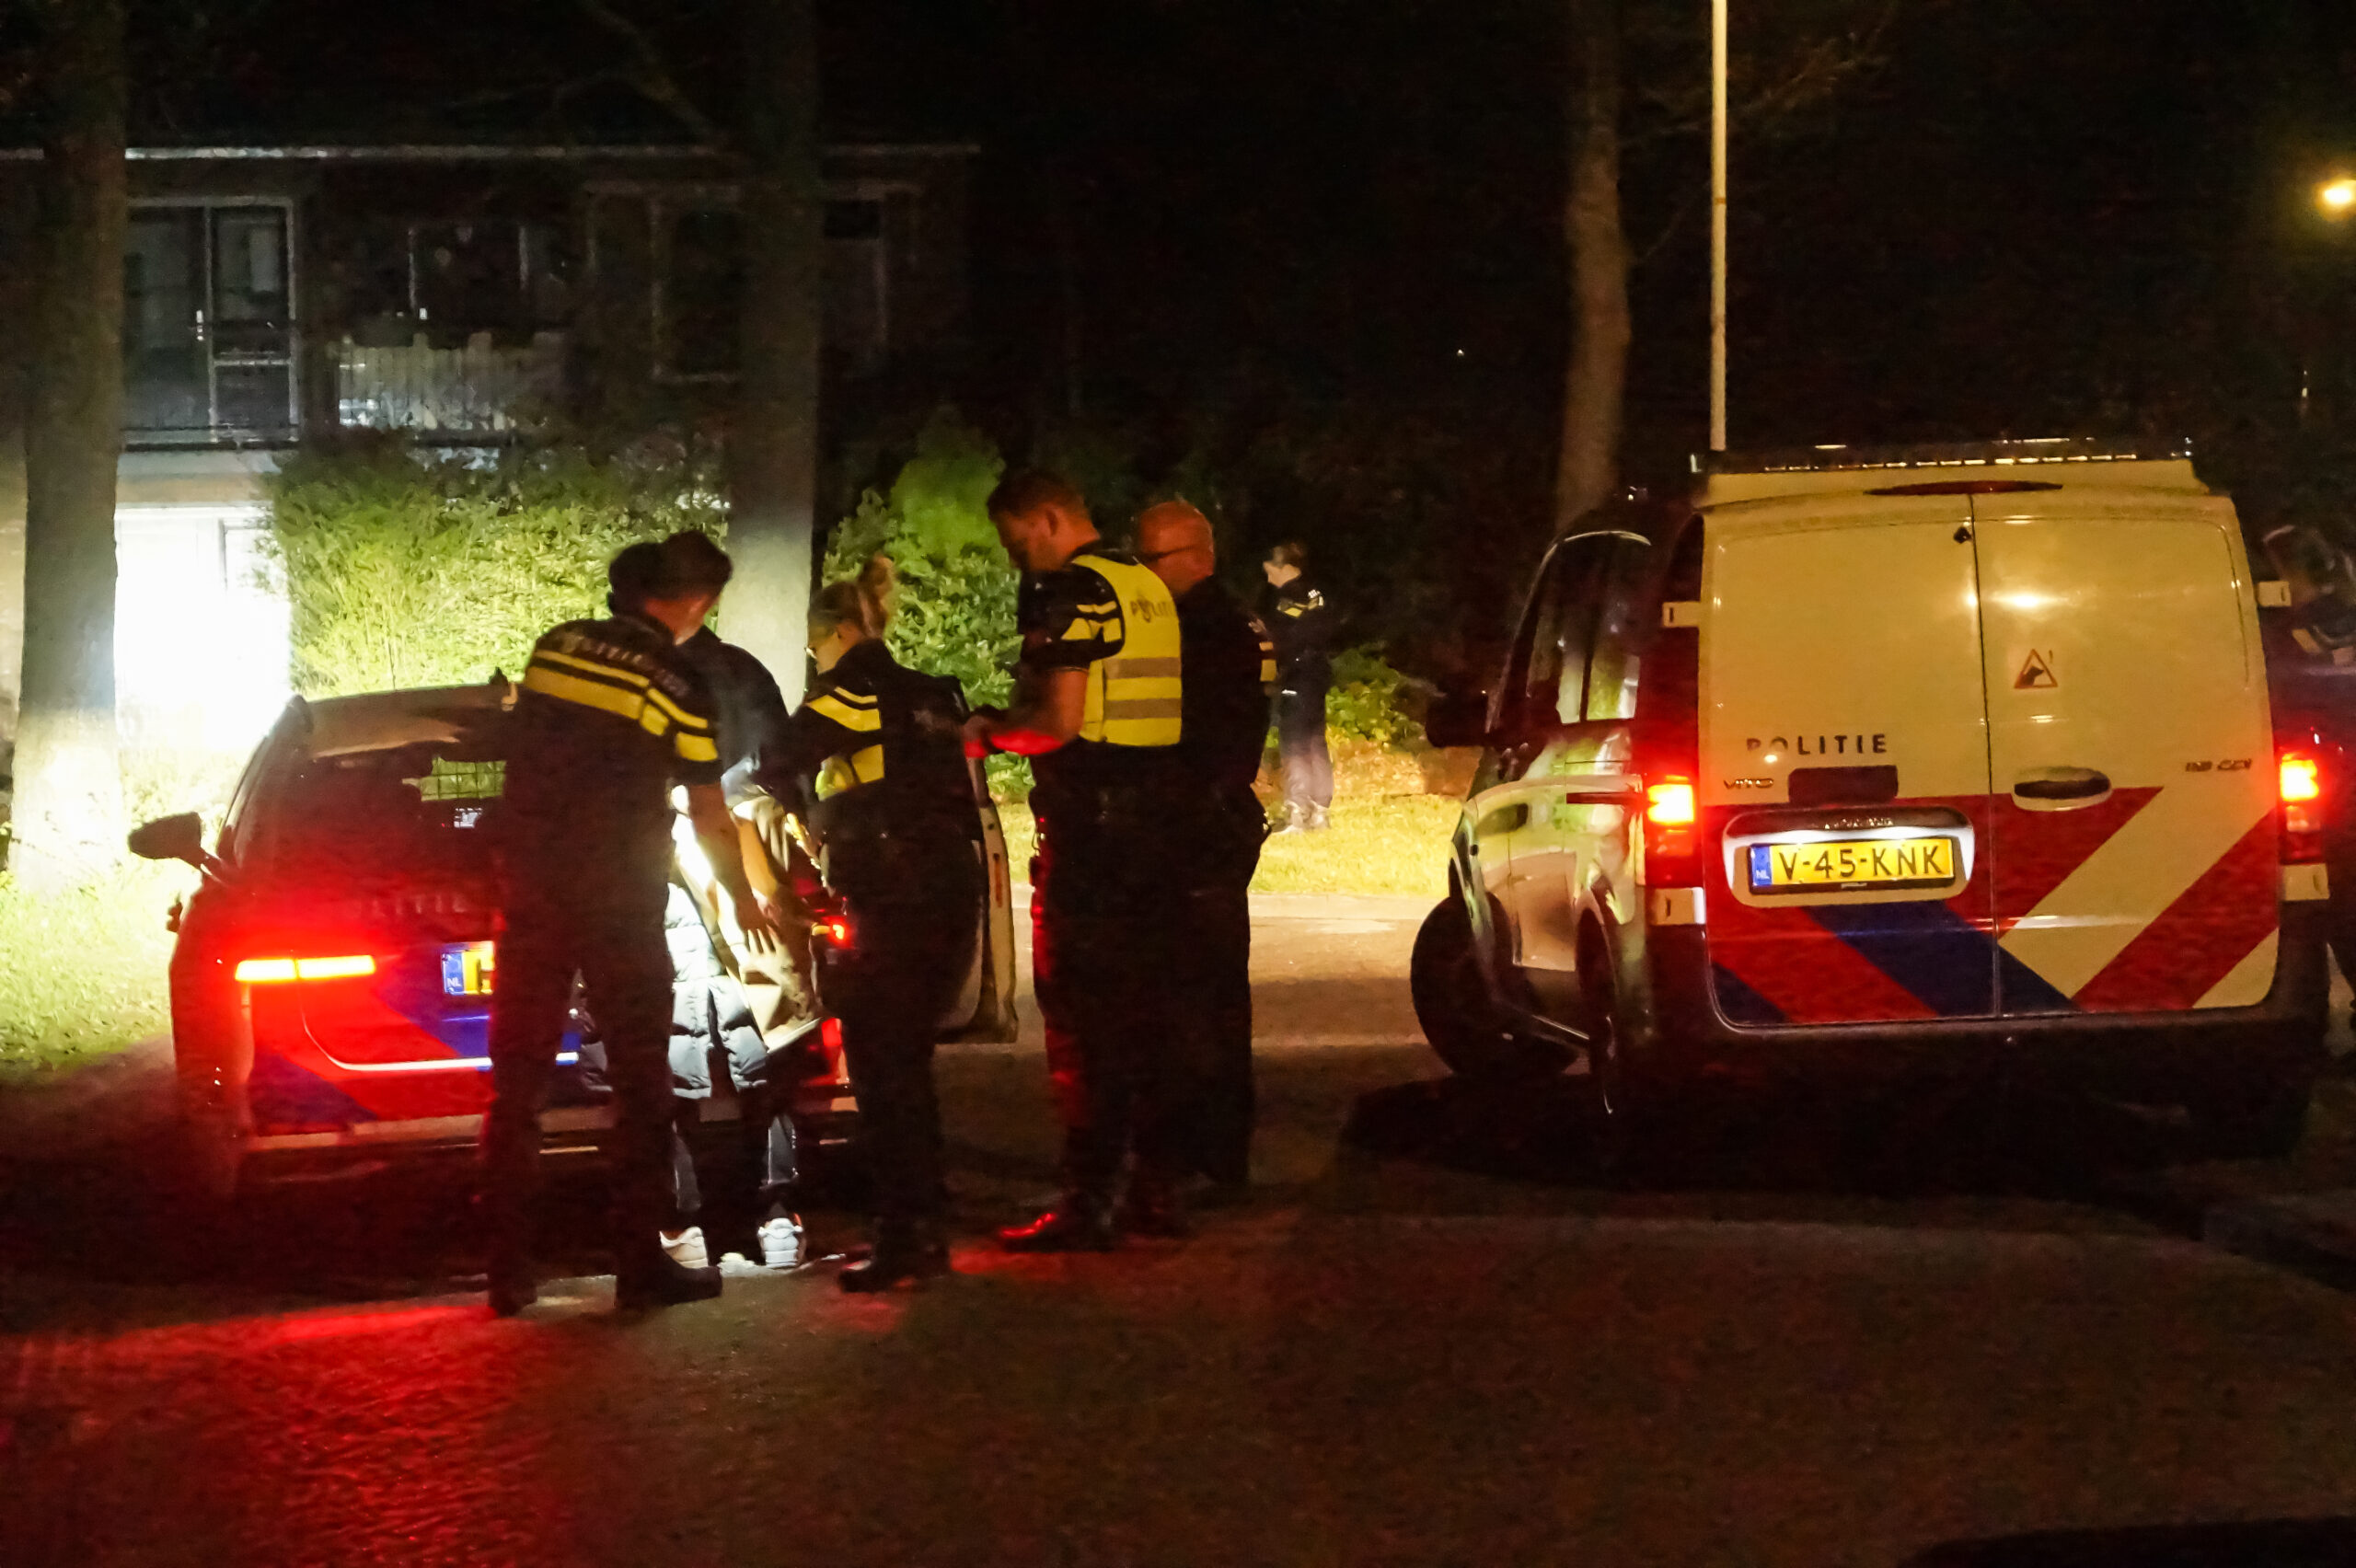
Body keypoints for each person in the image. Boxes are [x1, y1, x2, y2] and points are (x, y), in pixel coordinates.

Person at [482, 531, 778, 1317]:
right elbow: (709, 814)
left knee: (517, 1085)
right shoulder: (680, 683)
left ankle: (508, 1271)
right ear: (696, 602)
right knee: (643, 1084)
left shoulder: (556, 646)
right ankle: (639, 1268)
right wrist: (743, 899)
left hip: (534, 890)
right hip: (619, 897)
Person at [967, 470, 1194, 1249]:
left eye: (1017, 543)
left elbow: (1057, 724)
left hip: (1094, 832)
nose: (1017, 560)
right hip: (1157, 828)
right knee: (1148, 1016)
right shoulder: (1145, 585)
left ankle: (1088, 1200)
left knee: (1082, 1019)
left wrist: (988, 733)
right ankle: (1154, 1191)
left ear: (1047, 518)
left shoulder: (1071, 591)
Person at [754, 567, 985, 1291]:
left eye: (815, 647)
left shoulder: (848, 689)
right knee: (911, 1062)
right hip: (951, 884)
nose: (814, 660)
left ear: (839, 634)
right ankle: (928, 1222)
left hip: (888, 890)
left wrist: (811, 825)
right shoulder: (936, 692)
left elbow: (773, 762)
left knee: (881, 1068)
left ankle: (901, 1235)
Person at [604, 540, 806, 1276]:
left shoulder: (631, 672)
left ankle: (690, 1219)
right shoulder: (741, 674)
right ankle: (769, 1212)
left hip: (669, 884)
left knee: (682, 1053)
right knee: (756, 1047)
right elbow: (786, 781)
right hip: (731, 882)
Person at [1136, 501, 1275, 1192]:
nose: (1145, 575)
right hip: (1217, 821)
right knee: (1211, 997)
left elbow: (1198, 737)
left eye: (1152, 560)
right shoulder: (1233, 620)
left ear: (1197, 556)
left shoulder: (1203, 629)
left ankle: (1203, 1157)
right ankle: (1214, 1155)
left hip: (1198, 826)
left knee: (1194, 1000)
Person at [1264, 541, 1334, 832]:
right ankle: (1321, 812)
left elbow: (1282, 639)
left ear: (1285, 567)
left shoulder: (1287, 600)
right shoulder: (1316, 594)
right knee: (1315, 740)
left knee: (1293, 742)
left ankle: (1298, 811)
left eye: (1270, 565)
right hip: (1318, 674)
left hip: (1296, 675)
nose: (1267, 572)